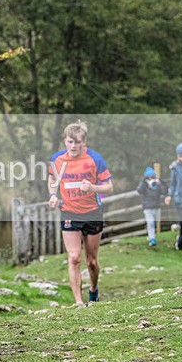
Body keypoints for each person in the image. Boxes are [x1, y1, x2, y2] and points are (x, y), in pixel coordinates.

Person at [47, 121, 113, 305]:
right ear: (65, 141)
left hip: (92, 213)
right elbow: (52, 178)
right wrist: (53, 195)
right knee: (74, 258)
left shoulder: (95, 159)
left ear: (84, 142)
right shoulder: (58, 159)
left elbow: (109, 187)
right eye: (70, 142)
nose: (73, 146)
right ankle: (78, 302)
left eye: (77, 142)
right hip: (69, 212)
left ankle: (93, 289)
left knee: (91, 261)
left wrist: (92, 187)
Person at [136, 166, 166, 246]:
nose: (150, 178)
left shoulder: (157, 184)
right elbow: (139, 190)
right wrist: (143, 181)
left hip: (157, 207)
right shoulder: (144, 184)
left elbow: (164, 191)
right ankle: (152, 239)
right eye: (148, 177)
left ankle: (151, 234)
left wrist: (160, 183)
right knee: (150, 223)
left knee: (155, 223)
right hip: (147, 207)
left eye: (152, 177)